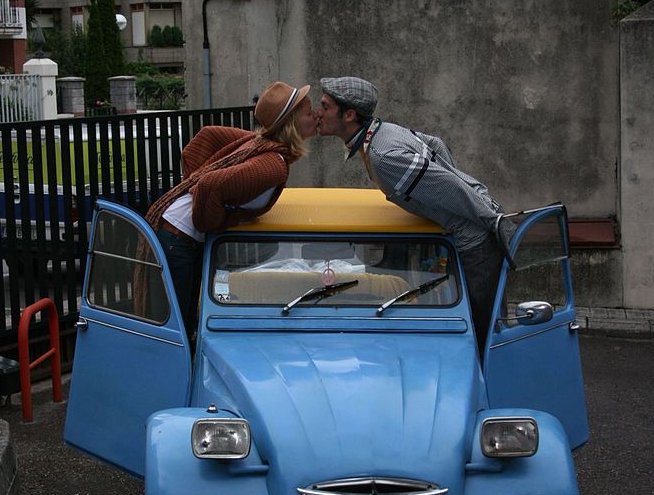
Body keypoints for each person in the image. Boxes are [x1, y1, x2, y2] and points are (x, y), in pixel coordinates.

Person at [316, 76, 511, 352]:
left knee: (482, 341)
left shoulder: (383, 157)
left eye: (324, 106)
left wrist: (492, 220)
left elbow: (450, 188)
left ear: (349, 115)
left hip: (475, 246)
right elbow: (436, 143)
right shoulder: (383, 131)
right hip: (469, 239)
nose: (317, 112)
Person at [143, 80, 317, 335]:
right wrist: (213, 218)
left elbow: (207, 136)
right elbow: (210, 187)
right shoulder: (273, 164)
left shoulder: (260, 142)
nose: (315, 115)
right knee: (173, 332)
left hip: (177, 234)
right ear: (291, 122)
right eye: (309, 111)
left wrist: (193, 185)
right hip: (178, 239)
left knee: (184, 324)